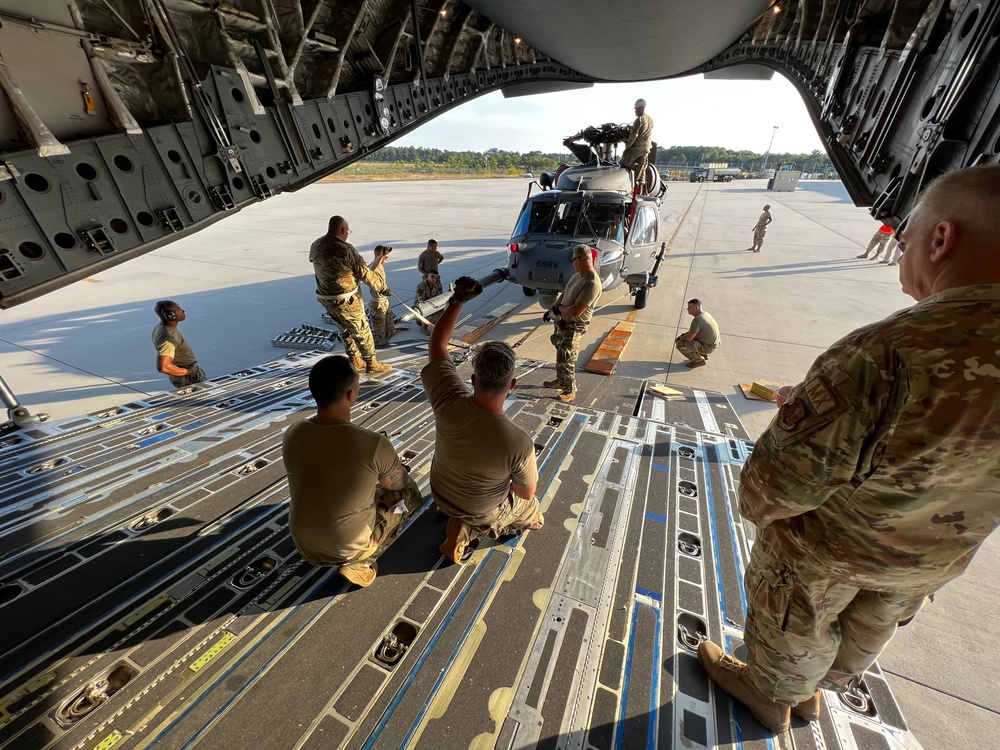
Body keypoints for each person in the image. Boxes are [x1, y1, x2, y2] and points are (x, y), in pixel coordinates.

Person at [697, 164, 1000, 735]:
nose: (903, 261)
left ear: (943, 239)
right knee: (872, 624)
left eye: (907, 241)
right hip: (929, 560)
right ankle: (814, 694)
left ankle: (770, 695)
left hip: (831, 549)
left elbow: (774, 488)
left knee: (798, 613)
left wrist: (763, 510)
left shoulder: (885, 352)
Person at [421, 276, 544, 564]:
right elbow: (525, 492)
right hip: (479, 508)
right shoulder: (518, 443)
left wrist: (458, 300)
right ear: (512, 385)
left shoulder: (448, 398)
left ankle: (454, 516)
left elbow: (437, 345)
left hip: (440, 493)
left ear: (473, 379)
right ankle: (466, 529)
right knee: (533, 511)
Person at [282, 355, 422, 587]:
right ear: (351, 395)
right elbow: (396, 485)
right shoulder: (373, 444)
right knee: (410, 494)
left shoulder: (293, 432)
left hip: (304, 545)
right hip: (347, 547)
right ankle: (360, 563)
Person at [310, 216, 392, 374]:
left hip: (326, 298)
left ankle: (354, 359)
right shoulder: (345, 249)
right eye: (347, 231)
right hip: (346, 299)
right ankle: (371, 363)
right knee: (362, 329)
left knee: (344, 328)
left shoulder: (316, 245)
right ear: (342, 230)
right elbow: (364, 273)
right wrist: (382, 287)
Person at [542, 244, 602, 402]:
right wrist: (552, 309)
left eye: (573, 259)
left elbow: (576, 311)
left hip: (575, 325)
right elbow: (566, 293)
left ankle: (570, 390)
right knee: (560, 352)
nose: (572, 263)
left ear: (581, 260)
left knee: (567, 356)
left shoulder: (592, 283)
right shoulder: (578, 276)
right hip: (564, 321)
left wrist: (559, 309)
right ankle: (561, 381)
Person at [151, 300, 206, 388]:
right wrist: (189, 372)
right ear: (171, 316)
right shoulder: (169, 338)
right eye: (179, 310)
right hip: (188, 378)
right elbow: (163, 367)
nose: (183, 311)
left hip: (186, 374)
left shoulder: (161, 327)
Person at [675, 299, 720, 368]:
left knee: (680, 343)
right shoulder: (705, 314)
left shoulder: (698, 319)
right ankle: (704, 354)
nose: (687, 309)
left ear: (696, 308)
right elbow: (693, 332)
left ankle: (699, 360)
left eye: (689, 307)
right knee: (684, 337)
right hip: (713, 343)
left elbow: (689, 338)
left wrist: (681, 338)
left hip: (708, 346)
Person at [619, 99, 654, 189]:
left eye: (636, 109)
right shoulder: (650, 120)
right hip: (646, 148)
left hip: (637, 148)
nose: (635, 111)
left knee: (623, 164)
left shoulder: (639, 120)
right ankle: (639, 190)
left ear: (641, 109)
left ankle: (623, 186)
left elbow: (634, 136)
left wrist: (627, 147)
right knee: (641, 169)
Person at [366, 245, 394, 346]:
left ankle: (384, 343)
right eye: (385, 257)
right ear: (379, 255)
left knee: (390, 328)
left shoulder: (380, 265)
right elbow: (371, 268)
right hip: (377, 304)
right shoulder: (372, 267)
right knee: (379, 332)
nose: (387, 259)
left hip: (384, 302)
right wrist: (381, 255)